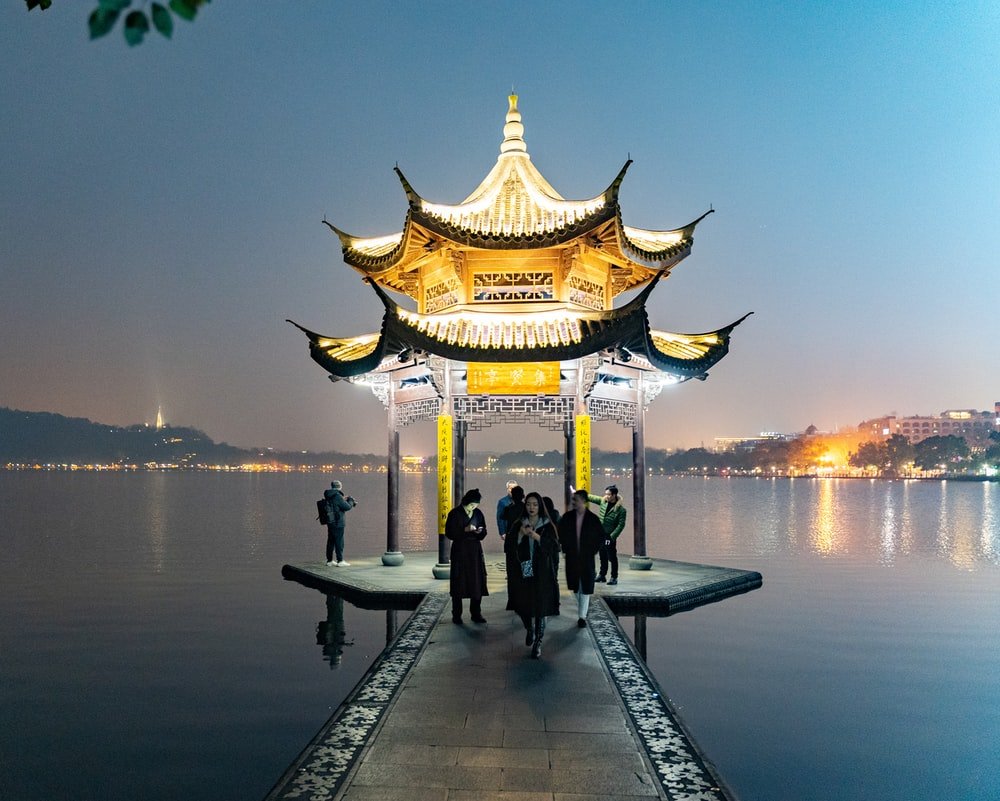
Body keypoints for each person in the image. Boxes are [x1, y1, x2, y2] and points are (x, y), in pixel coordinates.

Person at [505, 492, 560, 658]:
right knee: (524, 602)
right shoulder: (518, 524)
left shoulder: (547, 525)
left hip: (542, 568)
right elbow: (510, 545)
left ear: (540, 506)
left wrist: (535, 536)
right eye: (529, 504)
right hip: (525, 566)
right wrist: (521, 535)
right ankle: (529, 628)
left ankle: (538, 642)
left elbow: (554, 547)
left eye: (535, 504)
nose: (531, 508)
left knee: (541, 605)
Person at [557, 488, 603, 627]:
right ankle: (582, 610)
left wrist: (593, 551)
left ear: (583, 501)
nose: (573, 503)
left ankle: (582, 616)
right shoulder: (567, 517)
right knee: (575, 586)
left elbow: (600, 537)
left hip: (586, 557)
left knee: (585, 585)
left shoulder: (592, 519)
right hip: (572, 556)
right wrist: (564, 548)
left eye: (575, 500)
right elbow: (561, 533)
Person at [445, 488, 489, 624]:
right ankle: (456, 614)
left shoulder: (478, 513)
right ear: (466, 502)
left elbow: (484, 530)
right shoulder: (455, 513)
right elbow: (449, 533)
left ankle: (476, 613)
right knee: (459, 581)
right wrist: (464, 530)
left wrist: (480, 532)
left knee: (476, 580)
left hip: (474, 550)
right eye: (471, 505)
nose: (473, 507)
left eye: (475, 505)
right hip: (460, 550)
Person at [588, 484, 627, 585]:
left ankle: (614, 577)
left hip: (610, 535)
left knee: (612, 557)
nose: (606, 496)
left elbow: (621, 525)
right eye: (606, 494)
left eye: (609, 494)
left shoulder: (621, 510)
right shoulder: (603, 501)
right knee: (602, 555)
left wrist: (612, 536)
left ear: (614, 495)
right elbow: (591, 497)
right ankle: (602, 575)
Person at [323, 480, 357, 567]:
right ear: (340, 486)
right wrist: (350, 501)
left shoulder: (328, 495)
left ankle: (329, 561)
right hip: (338, 522)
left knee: (330, 541)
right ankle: (340, 561)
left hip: (330, 521)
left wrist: (343, 499)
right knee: (339, 541)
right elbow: (347, 507)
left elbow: (336, 504)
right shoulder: (337, 496)